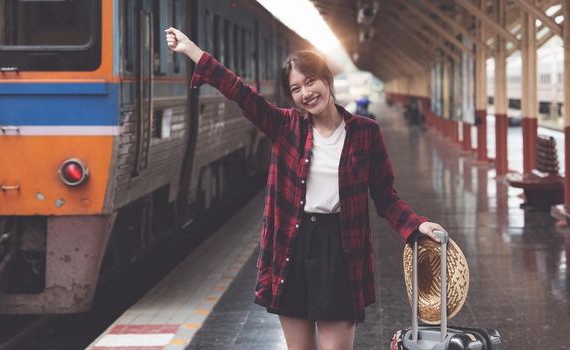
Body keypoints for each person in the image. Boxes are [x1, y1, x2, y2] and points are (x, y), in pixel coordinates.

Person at [165, 27, 446, 350]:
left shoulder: (365, 133)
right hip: (291, 248)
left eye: (310, 81)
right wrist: (192, 51)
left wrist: (416, 224)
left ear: (327, 80)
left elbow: (384, 195)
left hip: (340, 250)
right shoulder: (285, 126)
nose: (306, 93)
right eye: (296, 88)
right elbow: (240, 92)